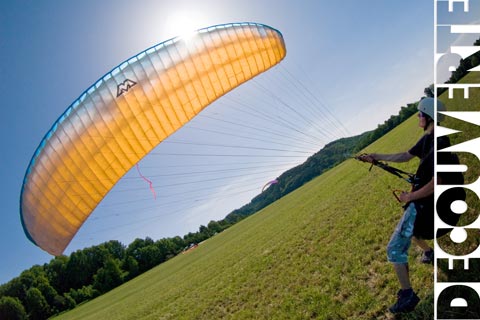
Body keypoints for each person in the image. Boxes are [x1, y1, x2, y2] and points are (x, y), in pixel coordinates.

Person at [357, 97, 443, 313]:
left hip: (426, 204)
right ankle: (430, 253)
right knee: (411, 228)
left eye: (420, 113)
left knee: (394, 248)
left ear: (428, 116)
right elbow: (405, 156)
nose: (417, 117)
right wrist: (376, 157)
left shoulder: (439, 144)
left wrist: (410, 198)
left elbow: (438, 182)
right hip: (423, 202)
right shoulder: (429, 138)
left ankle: (407, 295)